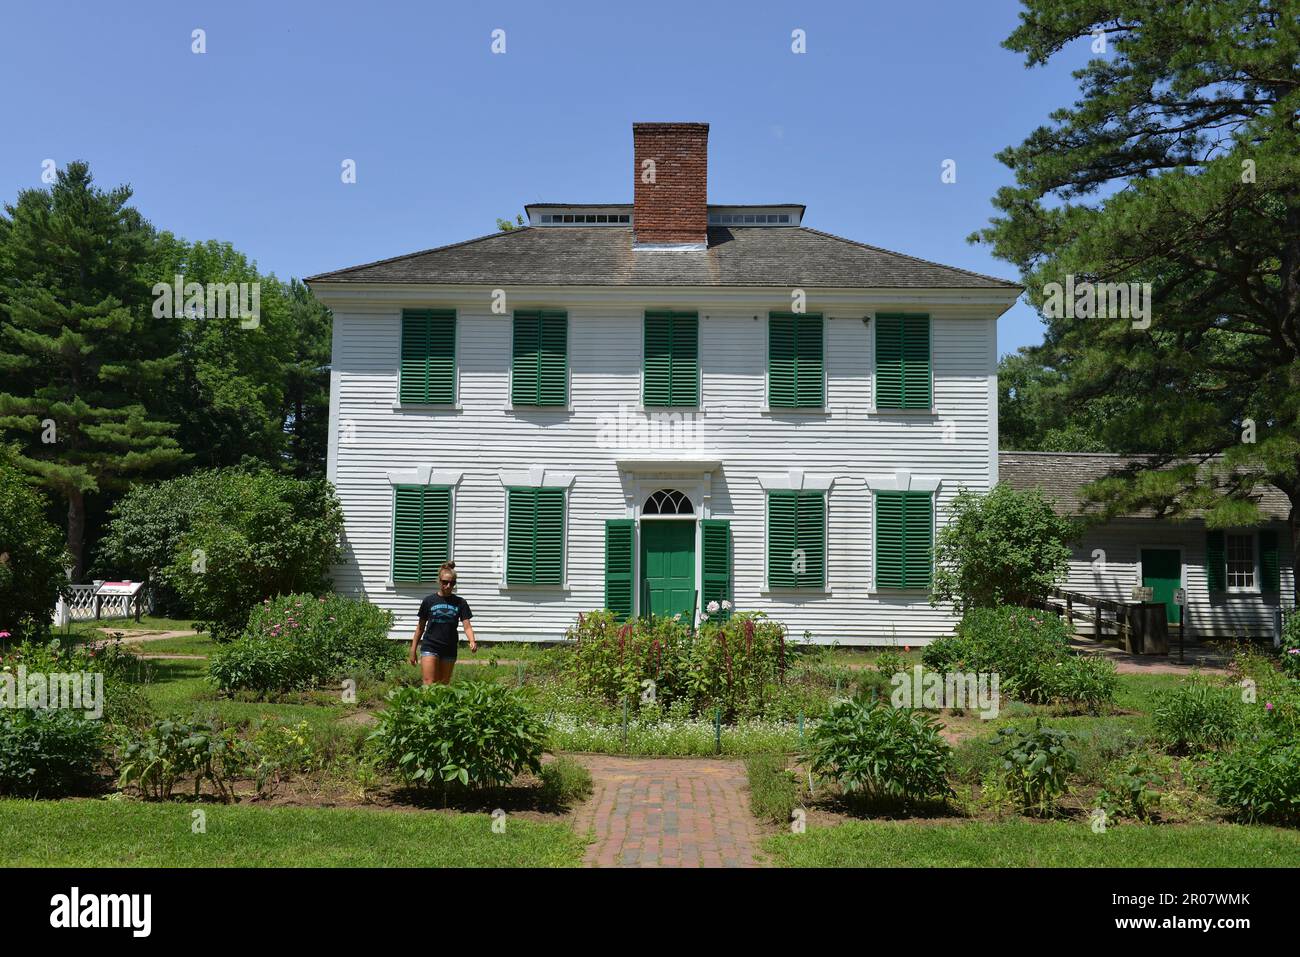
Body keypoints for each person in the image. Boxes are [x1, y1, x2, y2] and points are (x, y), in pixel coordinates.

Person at [408, 561, 476, 685]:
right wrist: (413, 649)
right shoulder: (429, 601)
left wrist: (472, 641)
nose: (448, 586)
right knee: (429, 682)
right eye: (445, 582)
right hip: (430, 645)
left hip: (449, 647)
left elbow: (467, 626)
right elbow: (420, 627)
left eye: (452, 583)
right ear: (439, 581)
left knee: (443, 684)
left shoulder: (460, 602)